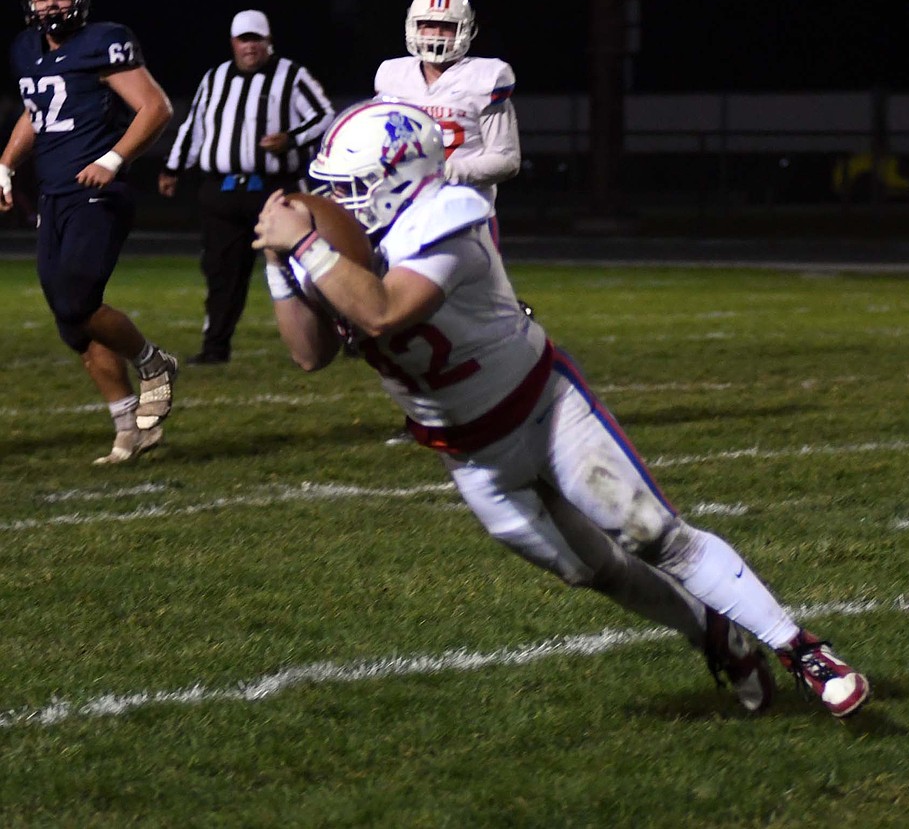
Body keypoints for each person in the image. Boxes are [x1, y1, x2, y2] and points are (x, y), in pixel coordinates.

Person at [252, 100, 872, 719]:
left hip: (543, 410)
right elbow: (309, 356)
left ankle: (805, 652)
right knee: (595, 571)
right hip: (470, 455)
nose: (341, 202)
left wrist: (307, 245)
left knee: (655, 535)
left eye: (355, 188)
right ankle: (711, 631)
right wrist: (282, 265)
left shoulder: (448, 217)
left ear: (405, 175)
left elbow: (382, 311)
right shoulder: (332, 250)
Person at [0, 0, 178, 465]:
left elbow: (155, 107)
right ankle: (127, 427)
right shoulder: (25, 48)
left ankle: (153, 363)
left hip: (98, 192)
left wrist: (113, 159)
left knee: (76, 296)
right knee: (70, 321)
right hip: (55, 194)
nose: (52, 6)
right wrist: (6, 164)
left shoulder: (106, 41)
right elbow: (37, 112)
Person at [374, 0, 527, 444]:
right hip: (405, 221)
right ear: (411, 28)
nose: (436, 34)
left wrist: (441, 171)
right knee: (408, 325)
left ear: (466, 30)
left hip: (466, 220)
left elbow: (507, 160)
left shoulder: (487, 76)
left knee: (473, 327)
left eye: (445, 25)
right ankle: (423, 419)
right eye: (428, 25)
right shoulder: (393, 77)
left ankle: (507, 406)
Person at [158, 9, 335, 365]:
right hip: (221, 191)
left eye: (257, 39)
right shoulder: (215, 77)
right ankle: (215, 348)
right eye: (244, 39)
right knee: (221, 272)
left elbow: (324, 116)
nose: (250, 47)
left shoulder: (291, 75)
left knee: (305, 263)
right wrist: (173, 167)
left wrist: (291, 139)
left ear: (269, 42)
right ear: (233, 43)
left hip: (273, 189)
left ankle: (335, 333)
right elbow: (195, 127)